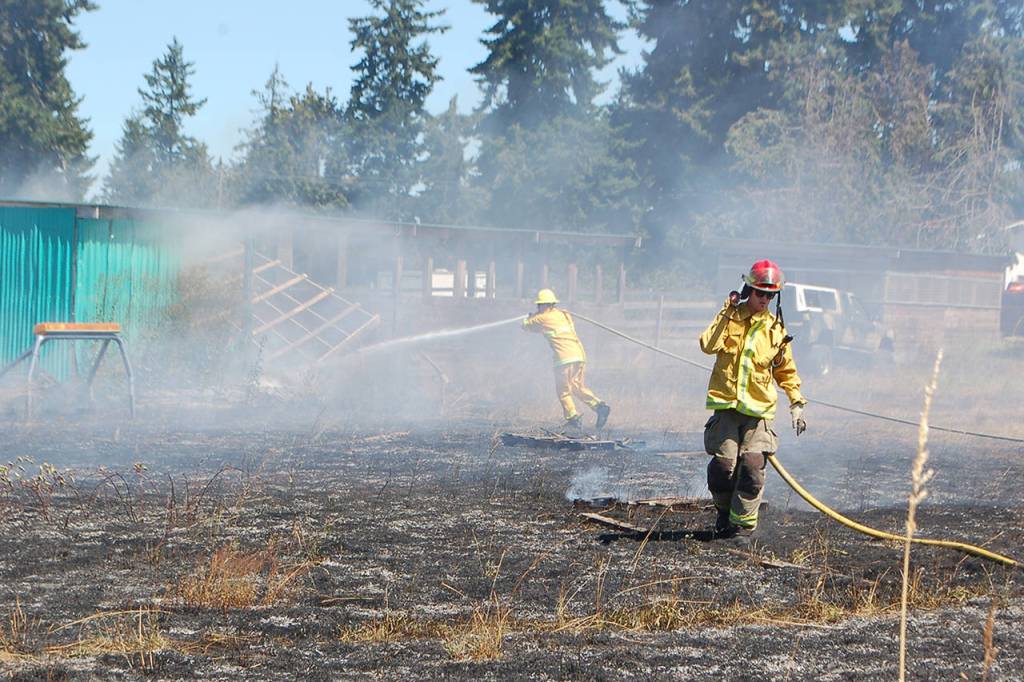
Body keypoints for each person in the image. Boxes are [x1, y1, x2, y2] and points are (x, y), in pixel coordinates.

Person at [698, 259, 807, 540]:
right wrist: (727, 309)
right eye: (760, 293)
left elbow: (786, 371)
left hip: (759, 413)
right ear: (749, 290)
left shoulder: (776, 331)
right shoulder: (730, 318)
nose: (765, 299)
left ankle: (742, 530)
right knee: (723, 469)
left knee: (752, 469)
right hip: (727, 407)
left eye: (771, 295)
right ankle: (724, 515)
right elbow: (707, 345)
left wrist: (796, 403)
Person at [522, 288, 611, 430]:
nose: (538, 307)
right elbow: (541, 329)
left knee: (563, 390)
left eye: (539, 305)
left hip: (564, 358)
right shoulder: (563, 315)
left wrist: (529, 317)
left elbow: (526, 326)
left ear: (546, 305)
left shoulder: (542, 317)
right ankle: (600, 407)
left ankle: (573, 418)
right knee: (576, 387)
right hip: (579, 355)